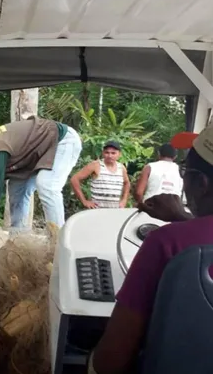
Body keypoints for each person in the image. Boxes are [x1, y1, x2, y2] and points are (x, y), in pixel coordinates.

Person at [89, 127, 213, 374]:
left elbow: (111, 361)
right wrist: (184, 218)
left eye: (185, 172)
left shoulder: (166, 243)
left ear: (201, 183)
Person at [0, 117, 81, 235]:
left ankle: (58, 239)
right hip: (34, 154)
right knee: (16, 189)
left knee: (46, 185)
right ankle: (19, 239)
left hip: (61, 140)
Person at [70, 141, 130, 209]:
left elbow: (127, 183)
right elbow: (74, 179)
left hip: (114, 210)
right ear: (103, 153)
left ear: (119, 154)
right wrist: (84, 201)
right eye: (107, 152)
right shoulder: (95, 165)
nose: (110, 156)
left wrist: (124, 200)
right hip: (97, 210)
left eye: (113, 153)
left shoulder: (121, 168)